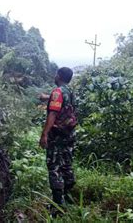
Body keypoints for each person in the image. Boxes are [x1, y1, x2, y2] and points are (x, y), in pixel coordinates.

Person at [39, 67, 77, 209]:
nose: (55, 76)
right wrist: (45, 97)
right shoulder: (70, 92)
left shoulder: (57, 92)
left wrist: (45, 134)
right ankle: (68, 197)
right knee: (67, 164)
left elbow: (53, 114)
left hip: (57, 136)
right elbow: (62, 102)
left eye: (56, 74)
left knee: (54, 166)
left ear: (59, 76)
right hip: (69, 134)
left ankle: (57, 205)